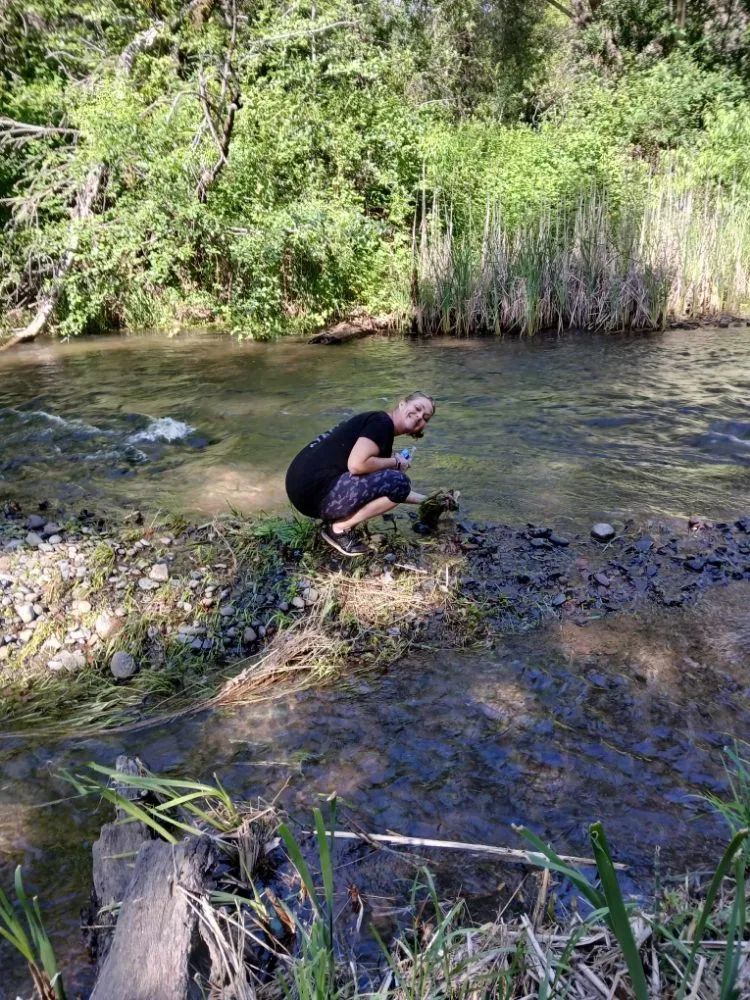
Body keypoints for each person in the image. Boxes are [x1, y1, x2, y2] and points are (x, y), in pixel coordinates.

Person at [285, 392, 437, 556]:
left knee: (396, 482)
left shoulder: (378, 422)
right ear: (402, 404)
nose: (419, 416)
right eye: (417, 408)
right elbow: (357, 465)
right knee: (400, 481)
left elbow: (382, 486)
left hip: (306, 492)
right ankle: (338, 529)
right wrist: (395, 462)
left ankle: (335, 522)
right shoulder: (381, 423)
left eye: (425, 418)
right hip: (314, 494)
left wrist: (429, 501)